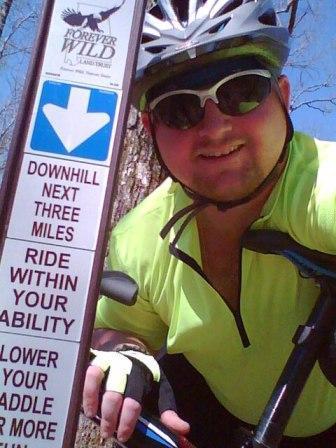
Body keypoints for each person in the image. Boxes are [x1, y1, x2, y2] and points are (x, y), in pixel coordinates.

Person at [82, 1, 336, 447]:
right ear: (149, 126)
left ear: (284, 95)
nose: (216, 128)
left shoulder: (322, 187)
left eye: (242, 91)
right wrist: (125, 354)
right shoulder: (137, 241)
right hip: (218, 420)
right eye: (180, 109)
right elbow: (123, 329)